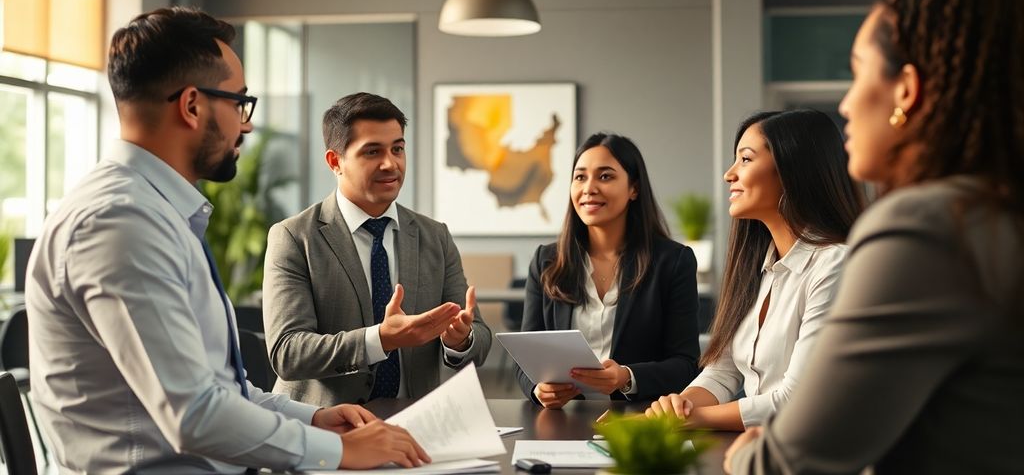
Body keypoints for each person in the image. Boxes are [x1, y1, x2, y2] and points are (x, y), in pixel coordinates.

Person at [25, 7, 428, 473]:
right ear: (192, 105)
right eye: (239, 103)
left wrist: (314, 419)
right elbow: (195, 415)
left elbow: (220, 389)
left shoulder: (155, 213)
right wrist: (341, 453)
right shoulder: (121, 223)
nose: (247, 124)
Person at [725, 0, 1024, 473]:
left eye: (858, 71)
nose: (845, 103)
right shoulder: (994, 216)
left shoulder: (925, 229)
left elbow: (790, 460)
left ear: (906, 90)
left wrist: (747, 455)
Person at [262, 92, 491, 407]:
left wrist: (459, 340)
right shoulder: (294, 237)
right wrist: (380, 340)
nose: (390, 163)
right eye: (372, 152)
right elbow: (289, 352)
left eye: (397, 148)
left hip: (415, 423)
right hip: (322, 428)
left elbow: (479, 338)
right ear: (335, 161)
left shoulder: (434, 236)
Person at [645, 109, 864, 430]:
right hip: (756, 448)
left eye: (745, 160)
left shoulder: (835, 265)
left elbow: (797, 400)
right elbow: (723, 371)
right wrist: (682, 404)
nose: (729, 174)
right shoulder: (757, 267)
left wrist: (690, 420)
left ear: (792, 170)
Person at [514, 133, 701, 408]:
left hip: (636, 421)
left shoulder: (673, 262)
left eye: (605, 177)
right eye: (580, 177)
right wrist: (538, 389)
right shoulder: (546, 261)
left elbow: (685, 365)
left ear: (634, 188)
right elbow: (524, 361)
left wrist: (627, 378)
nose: (589, 188)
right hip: (563, 421)